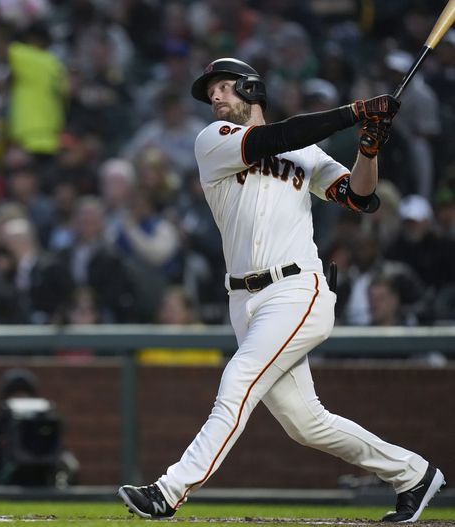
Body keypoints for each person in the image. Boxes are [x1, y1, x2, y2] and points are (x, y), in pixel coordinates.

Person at [118, 58, 445, 522]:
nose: (215, 96)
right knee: (306, 424)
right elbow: (273, 139)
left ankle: (169, 491)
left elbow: (360, 197)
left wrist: (369, 149)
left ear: (252, 89)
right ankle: (413, 474)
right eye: (211, 92)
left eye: (224, 86)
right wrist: (355, 112)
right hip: (243, 300)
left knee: (238, 379)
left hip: (296, 288)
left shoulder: (305, 152)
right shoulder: (213, 140)